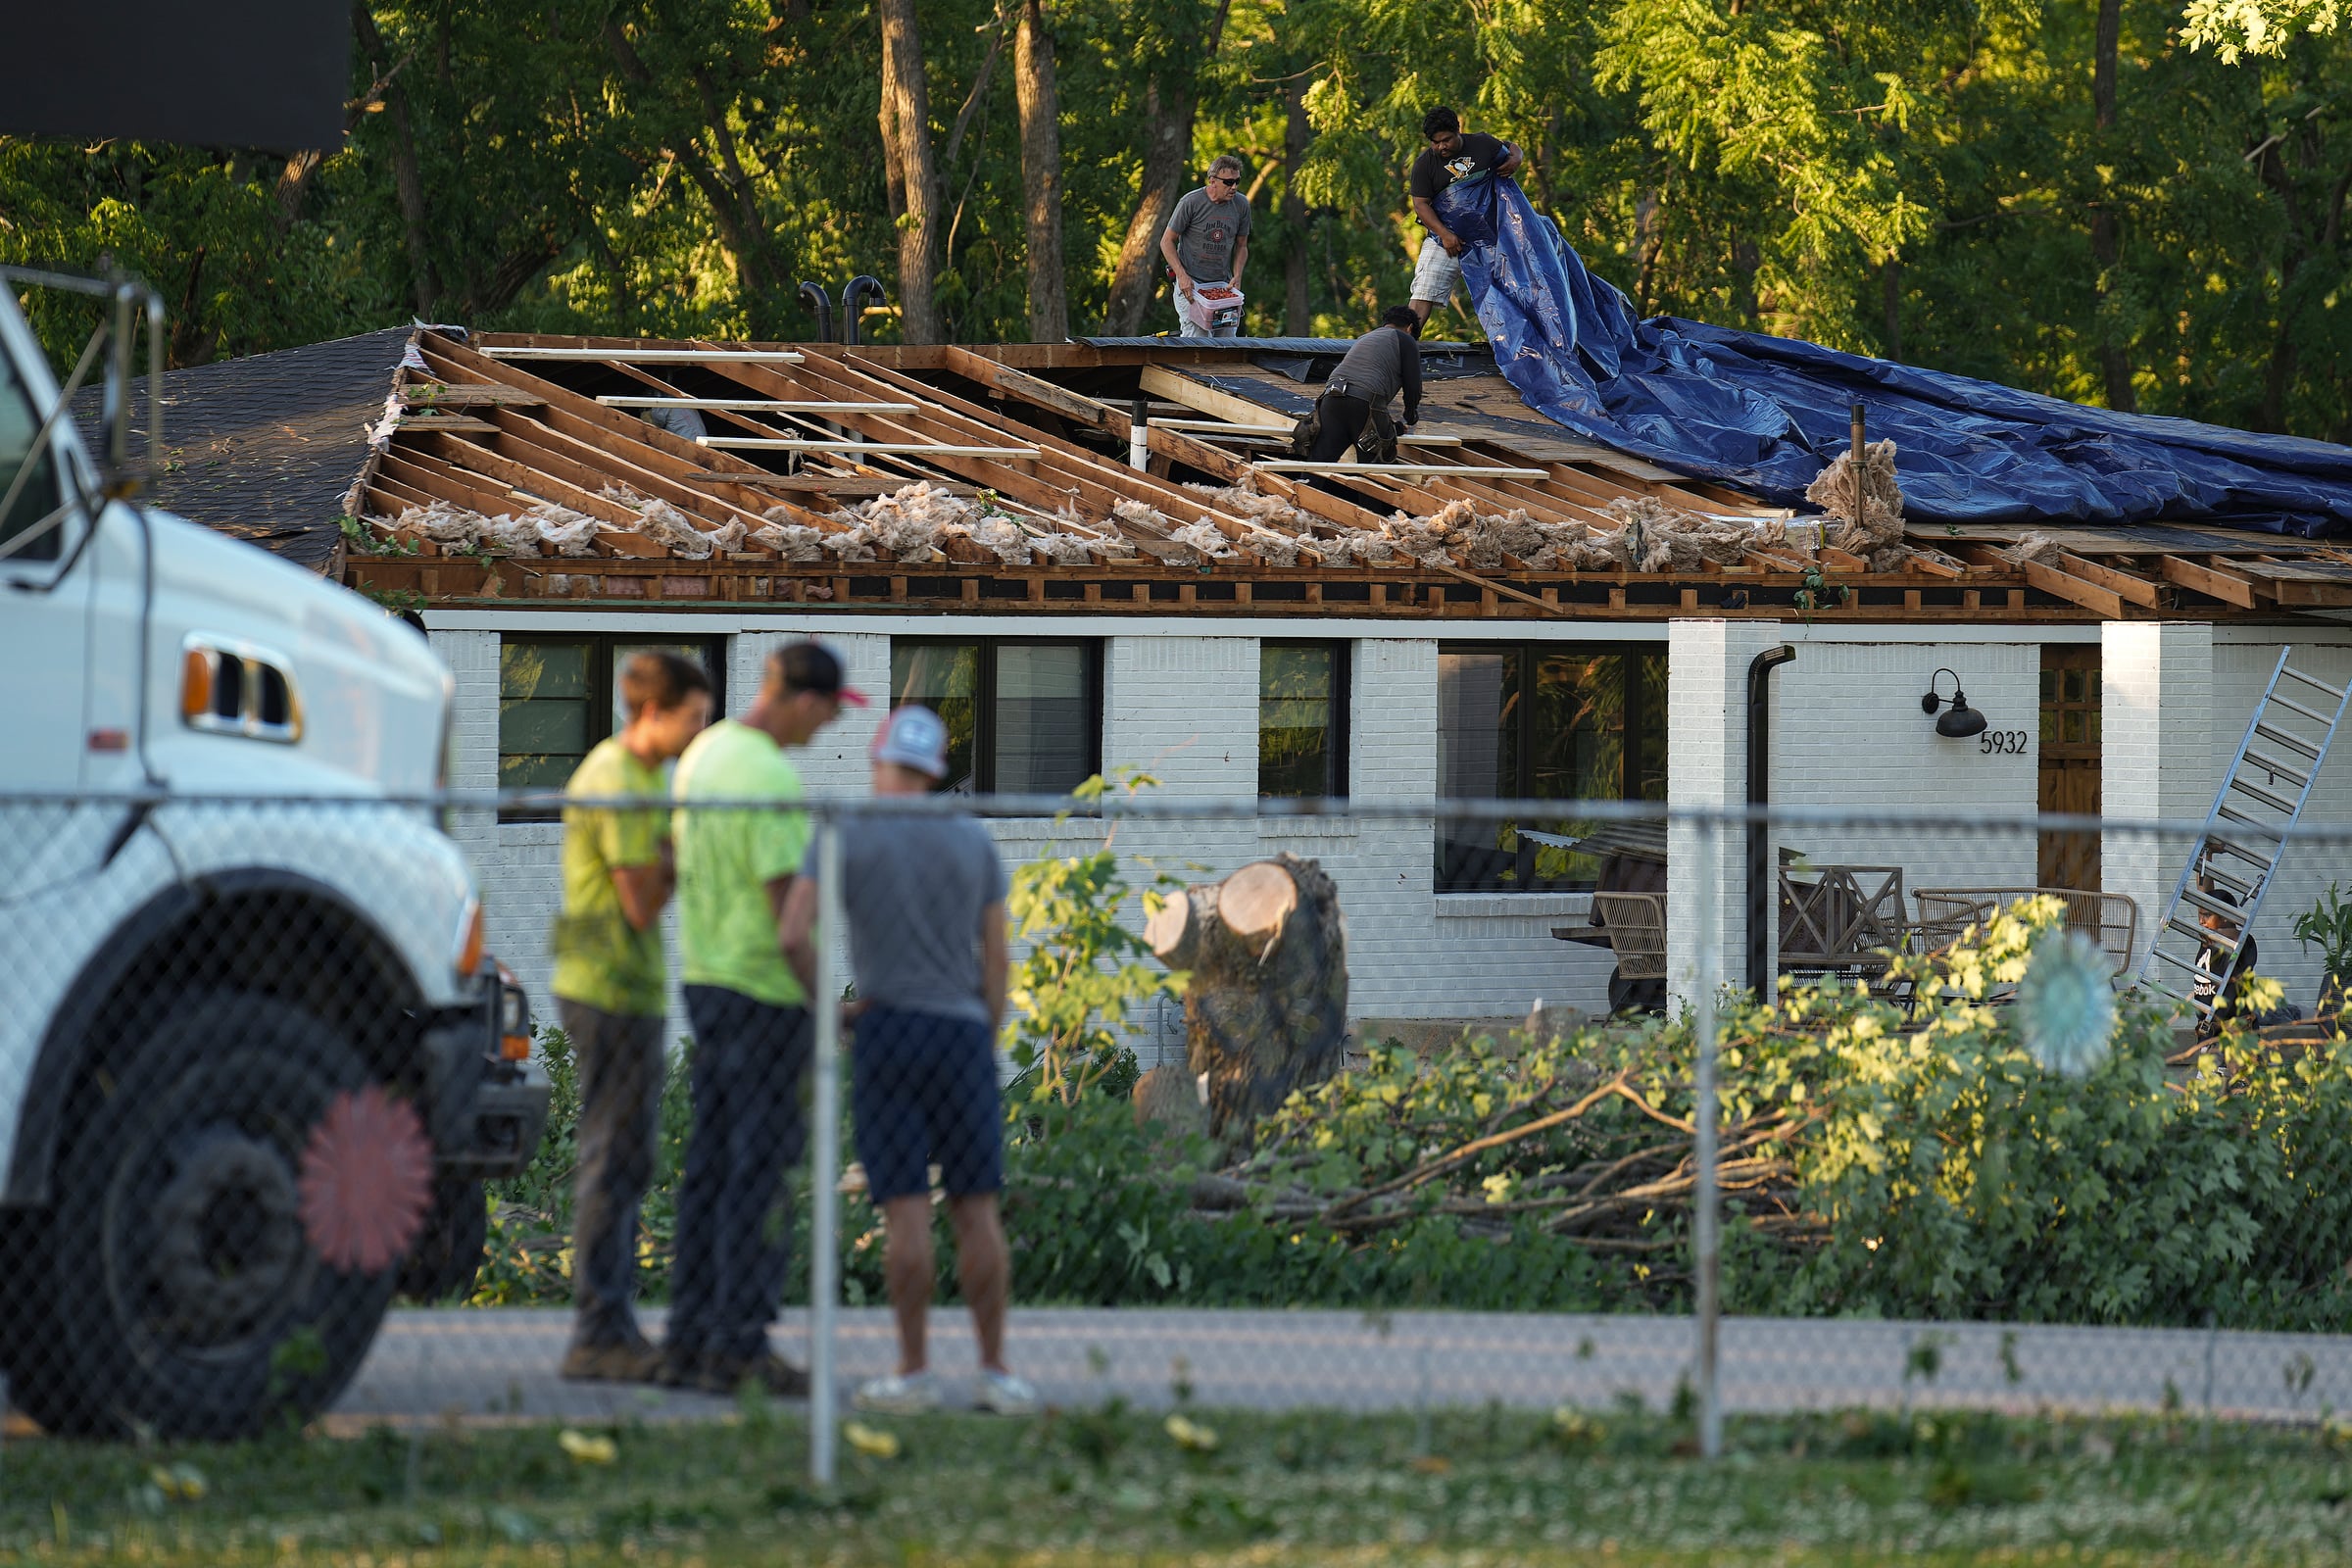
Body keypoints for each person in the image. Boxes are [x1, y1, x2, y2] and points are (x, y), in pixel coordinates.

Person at [777, 705, 1034, 1415]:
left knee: (906, 1213)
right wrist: (983, 1034)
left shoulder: (848, 834)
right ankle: (994, 1371)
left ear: (878, 761)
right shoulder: (971, 841)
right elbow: (998, 959)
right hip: (959, 1033)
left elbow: (793, 933)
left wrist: (828, 1010)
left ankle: (914, 1373)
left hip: (887, 1030)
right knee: (977, 1208)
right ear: (935, 769)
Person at [664, 640, 863, 1395]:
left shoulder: (703, 754)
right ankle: (742, 1346)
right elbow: (790, 924)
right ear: (804, 700)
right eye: (829, 713)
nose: (827, 729)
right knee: (763, 1174)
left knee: (709, 1169)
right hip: (765, 994)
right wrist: (825, 1010)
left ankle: (688, 1338)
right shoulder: (772, 778)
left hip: (706, 980)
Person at [551, 651, 712, 1383]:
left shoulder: (645, 776)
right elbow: (641, 901)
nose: (698, 733)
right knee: (612, 1159)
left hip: (626, 983)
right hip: (605, 986)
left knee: (627, 1158)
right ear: (654, 712)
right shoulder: (618, 778)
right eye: (694, 718)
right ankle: (600, 1330)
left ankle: (611, 1323)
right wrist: (686, 845)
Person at [1406, 106, 1525, 330]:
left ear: (1458, 130)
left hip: (1490, 240)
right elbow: (1420, 205)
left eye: (1446, 140)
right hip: (1446, 241)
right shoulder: (1425, 164)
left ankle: (1512, 348)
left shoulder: (1482, 143)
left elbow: (1511, 147)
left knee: (1507, 292)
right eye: (1435, 142)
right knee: (1424, 289)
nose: (1441, 146)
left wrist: (1516, 158)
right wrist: (1445, 235)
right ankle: (1405, 341)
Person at [1306, 307, 1424, 466]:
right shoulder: (1406, 339)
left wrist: (1393, 428)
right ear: (1410, 328)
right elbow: (1413, 387)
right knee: (1374, 468)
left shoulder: (1365, 337)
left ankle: (1303, 486)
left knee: (1319, 463)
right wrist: (1411, 415)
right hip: (1364, 401)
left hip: (1331, 398)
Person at [1159, 154, 1252, 338]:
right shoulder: (1191, 202)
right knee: (1197, 339)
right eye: (1228, 182)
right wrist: (1182, 276)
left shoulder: (1241, 205)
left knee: (1227, 342)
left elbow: (1242, 246)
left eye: (1237, 181)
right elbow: (1166, 241)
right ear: (1212, 181)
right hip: (1192, 285)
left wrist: (1238, 276)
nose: (1233, 187)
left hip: (1222, 286)